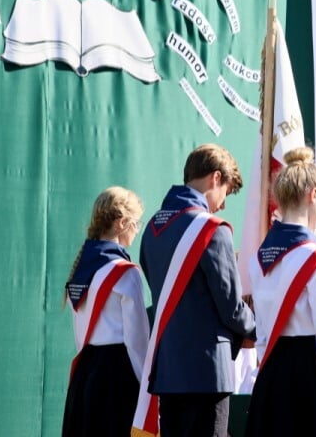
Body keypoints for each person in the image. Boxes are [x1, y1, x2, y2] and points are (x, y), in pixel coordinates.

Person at [137, 143, 256, 437]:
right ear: (215, 178)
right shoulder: (213, 229)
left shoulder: (153, 227)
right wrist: (259, 329)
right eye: (225, 192)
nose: (223, 204)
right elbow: (230, 306)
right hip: (208, 375)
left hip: (168, 373)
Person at [245, 148, 316, 437]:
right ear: (313, 195)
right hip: (313, 378)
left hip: (272, 376)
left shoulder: (258, 259)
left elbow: (263, 334)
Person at [63, 186, 150, 437]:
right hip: (117, 375)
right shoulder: (126, 272)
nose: (136, 229)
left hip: (85, 373)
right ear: (122, 223)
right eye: (136, 223)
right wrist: (147, 388)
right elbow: (137, 342)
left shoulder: (80, 268)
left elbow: (81, 335)